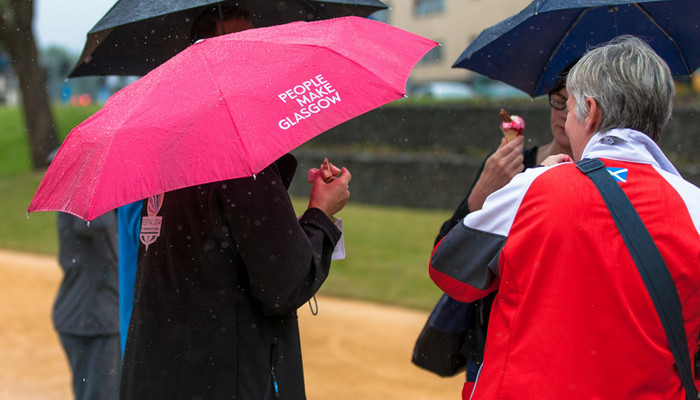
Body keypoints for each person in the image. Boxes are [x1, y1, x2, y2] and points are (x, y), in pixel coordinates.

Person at [429, 35, 700, 399]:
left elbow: (449, 271)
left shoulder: (533, 188)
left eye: (569, 108)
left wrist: (530, 183)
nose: (566, 122)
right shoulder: (694, 206)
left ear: (592, 112)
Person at [119, 6, 352, 399]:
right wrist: (321, 214)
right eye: (245, 45)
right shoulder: (236, 156)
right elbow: (287, 283)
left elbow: (223, 254)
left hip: (162, 373)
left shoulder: (165, 144)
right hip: (226, 375)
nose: (260, 55)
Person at [419, 68, 574, 395]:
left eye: (573, 105)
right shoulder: (511, 165)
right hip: (492, 334)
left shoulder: (604, 177)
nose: (563, 114)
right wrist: (485, 188)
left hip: (560, 339)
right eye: (557, 102)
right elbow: (449, 251)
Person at [116, 3, 255, 356]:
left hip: (209, 348)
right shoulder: (157, 134)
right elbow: (150, 237)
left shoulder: (222, 134)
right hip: (166, 348)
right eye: (239, 43)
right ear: (204, 54)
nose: (251, 53)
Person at [53, 210, 121, 399]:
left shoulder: (74, 195)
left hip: (95, 314)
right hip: (91, 317)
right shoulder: (85, 200)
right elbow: (95, 222)